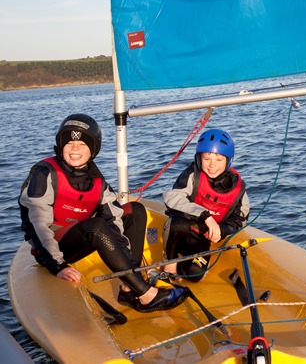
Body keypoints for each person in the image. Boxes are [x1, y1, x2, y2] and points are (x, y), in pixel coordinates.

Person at [19, 113, 188, 313]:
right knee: (96, 226)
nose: (75, 148)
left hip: (80, 236)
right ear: (60, 146)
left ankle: (129, 287)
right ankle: (146, 294)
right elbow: (36, 223)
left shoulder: (97, 181)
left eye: (82, 144)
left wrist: (124, 262)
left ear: (93, 150)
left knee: (135, 210)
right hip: (51, 247)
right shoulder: (45, 174)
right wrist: (57, 265)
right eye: (70, 143)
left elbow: (114, 220)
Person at [162, 128, 250, 282]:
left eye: (219, 159)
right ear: (198, 158)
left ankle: (183, 267)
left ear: (229, 160)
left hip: (202, 239)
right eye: (206, 158)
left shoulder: (238, 188)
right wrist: (205, 215)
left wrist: (222, 230)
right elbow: (172, 198)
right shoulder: (191, 175)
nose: (212, 165)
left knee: (194, 274)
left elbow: (240, 218)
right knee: (178, 223)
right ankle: (170, 262)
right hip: (181, 231)